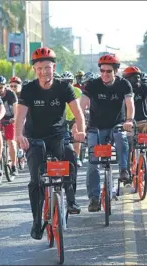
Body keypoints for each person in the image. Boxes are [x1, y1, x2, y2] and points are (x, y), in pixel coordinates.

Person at [15, 47, 85, 240]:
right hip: (34, 138)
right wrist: (19, 136)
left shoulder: (64, 87)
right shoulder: (28, 89)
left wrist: (80, 130)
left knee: (70, 155)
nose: (44, 71)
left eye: (47, 67)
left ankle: (71, 200)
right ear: (34, 70)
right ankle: (37, 221)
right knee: (36, 180)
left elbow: (78, 112)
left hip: (58, 135)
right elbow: (20, 116)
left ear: (54, 67)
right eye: (39, 68)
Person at [80, 54, 134, 212]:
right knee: (93, 163)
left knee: (121, 136)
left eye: (108, 71)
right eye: (102, 70)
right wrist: (80, 124)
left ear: (116, 71)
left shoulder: (124, 84)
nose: (105, 74)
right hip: (96, 128)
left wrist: (129, 120)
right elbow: (81, 106)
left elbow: (129, 104)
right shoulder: (92, 85)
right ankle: (94, 199)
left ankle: (124, 171)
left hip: (117, 126)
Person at [0, 75, 18, 175]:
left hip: (9, 119)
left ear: (5, 86)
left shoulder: (11, 94)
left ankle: (14, 165)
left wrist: (15, 118)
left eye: (1, 87)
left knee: (11, 142)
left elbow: (16, 108)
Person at [61, 71, 84, 167]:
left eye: (69, 81)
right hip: (62, 118)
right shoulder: (58, 90)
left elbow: (81, 105)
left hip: (74, 117)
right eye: (65, 82)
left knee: (76, 134)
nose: (67, 84)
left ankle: (77, 156)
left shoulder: (77, 91)